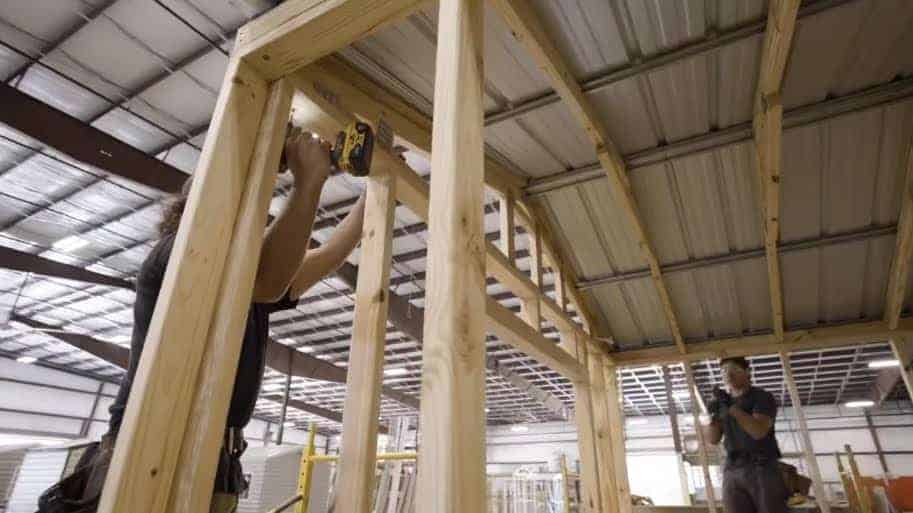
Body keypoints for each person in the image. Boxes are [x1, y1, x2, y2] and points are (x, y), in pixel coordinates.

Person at [96, 130, 364, 513]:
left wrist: (375, 195)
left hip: (216, 459)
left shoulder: (245, 283)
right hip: (151, 446)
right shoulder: (178, 250)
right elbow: (267, 280)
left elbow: (329, 255)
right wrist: (308, 182)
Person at [702, 356, 789, 513]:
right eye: (724, 371)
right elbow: (713, 439)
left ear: (748, 372)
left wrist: (731, 406)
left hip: (761, 466)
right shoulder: (723, 402)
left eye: (734, 370)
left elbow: (758, 431)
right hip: (732, 467)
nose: (728, 375)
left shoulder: (762, 397)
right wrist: (712, 416)